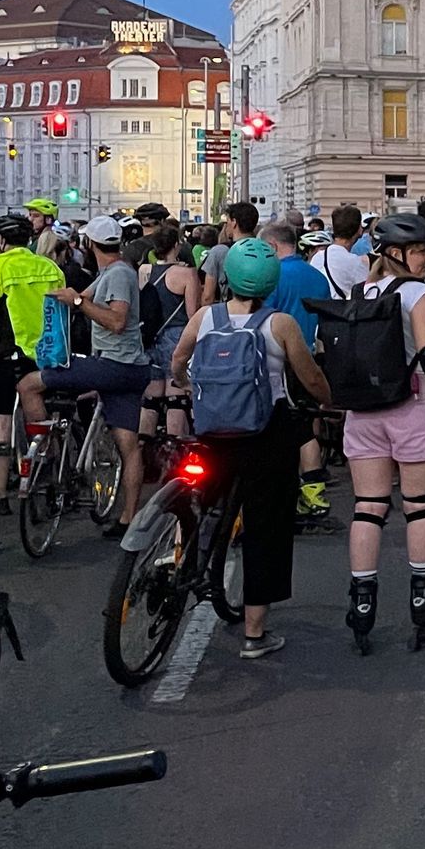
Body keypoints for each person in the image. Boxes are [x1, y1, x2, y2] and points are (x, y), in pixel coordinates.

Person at [170, 235, 330, 662]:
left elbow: (178, 363)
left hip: (213, 434)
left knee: (202, 497)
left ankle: (179, 559)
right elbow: (310, 377)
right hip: (264, 436)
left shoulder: (204, 317)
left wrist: (191, 387)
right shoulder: (280, 324)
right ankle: (255, 633)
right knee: (268, 526)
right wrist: (329, 399)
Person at [341, 212, 425, 652]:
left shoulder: (361, 291)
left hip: (364, 413)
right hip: (412, 410)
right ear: (395, 254)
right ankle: (423, 601)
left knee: (368, 508)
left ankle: (362, 606)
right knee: (419, 508)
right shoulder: (417, 293)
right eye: (420, 250)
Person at [19, 215, 151, 533]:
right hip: (130, 368)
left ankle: (47, 453)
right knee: (127, 444)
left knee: (28, 385)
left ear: (90, 244)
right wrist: (68, 297)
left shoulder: (118, 274)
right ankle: (127, 519)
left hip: (112, 366)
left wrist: (76, 300)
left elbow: (116, 321)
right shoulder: (115, 271)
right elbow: (84, 296)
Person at [262, 220, 335, 524]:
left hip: (279, 359)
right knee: (306, 424)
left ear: (274, 246)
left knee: (289, 429)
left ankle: (289, 492)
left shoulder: (274, 276)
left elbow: (263, 317)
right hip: (311, 356)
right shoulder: (317, 276)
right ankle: (314, 493)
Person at [0, 214, 62, 517]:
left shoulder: (1, 266)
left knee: (4, 421)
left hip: (12, 351)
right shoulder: (49, 267)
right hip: (48, 352)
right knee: (44, 414)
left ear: (1, 241)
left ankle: (2, 490)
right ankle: (52, 467)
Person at [134, 218, 199, 458]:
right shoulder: (186, 274)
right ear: (176, 245)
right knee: (176, 394)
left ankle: (143, 451)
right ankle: (174, 450)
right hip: (176, 336)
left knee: (151, 396)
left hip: (149, 337)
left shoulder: (143, 271)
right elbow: (193, 314)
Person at [200, 200, 259, 303]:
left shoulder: (219, 252)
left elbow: (208, 296)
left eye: (227, 222)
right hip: (259, 311)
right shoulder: (263, 250)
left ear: (234, 222)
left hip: (229, 310)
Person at [313, 204, 369, 298]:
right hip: (341, 311)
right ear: (359, 230)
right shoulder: (356, 263)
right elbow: (368, 292)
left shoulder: (317, 258)